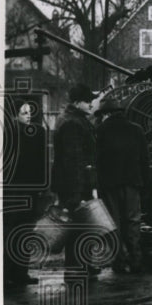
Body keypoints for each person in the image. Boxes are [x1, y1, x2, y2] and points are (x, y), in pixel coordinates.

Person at [95, 98, 149, 274]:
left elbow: (97, 160)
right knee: (133, 221)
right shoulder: (137, 130)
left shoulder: (101, 130)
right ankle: (137, 261)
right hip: (133, 182)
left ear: (106, 114)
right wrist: (144, 182)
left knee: (113, 222)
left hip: (109, 184)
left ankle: (119, 262)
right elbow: (144, 160)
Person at [52, 84, 99, 277]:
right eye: (87, 101)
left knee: (82, 224)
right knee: (77, 226)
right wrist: (78, 193)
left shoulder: (73, 119)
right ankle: (75, 268)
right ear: (77, 102)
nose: (91, 104)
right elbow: (74, 161)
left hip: (74, 183)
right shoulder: (73, 123)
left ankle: (83, 264)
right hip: (75, 184)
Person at [3, 100, 47, 287]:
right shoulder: (9, 135)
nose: (28, 115)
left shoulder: (34, 134)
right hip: (14, 192)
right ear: (14, 115)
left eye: (29, 111)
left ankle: (19, 273)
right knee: (12, 232)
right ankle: (8, 273)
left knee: (24, 232)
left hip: (27, 191)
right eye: (23, 112)